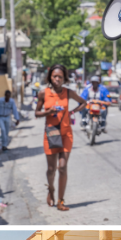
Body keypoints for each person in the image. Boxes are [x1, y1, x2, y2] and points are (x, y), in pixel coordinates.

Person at [35, 64, 87, 211]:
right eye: (54, 76)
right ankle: (50, 189)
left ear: (64, 79)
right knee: (51, 169)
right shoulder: (43, 94)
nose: (57, 79)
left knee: (62, 167)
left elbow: (84, 103)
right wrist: (48, 112)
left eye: (60, 77)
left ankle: (61, 201)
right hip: (51, 134)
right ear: (50, 77)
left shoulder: (68, 92)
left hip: (66, 134)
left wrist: (72, 112)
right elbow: (36, 113)